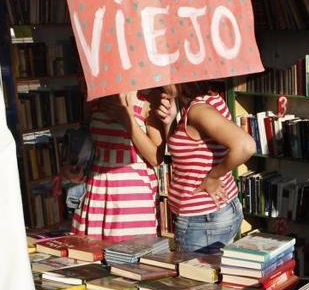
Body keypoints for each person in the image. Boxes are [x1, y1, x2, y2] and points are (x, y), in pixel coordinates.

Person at [163, 81, 256, 252]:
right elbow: (191, 152)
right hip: (215, 213)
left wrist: (212, 177)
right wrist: (171, 121)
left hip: (203, 220)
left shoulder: (199, 111)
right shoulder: (211, 100)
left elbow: (245, 146)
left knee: (194, 278)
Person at [71, 91, 170, 242]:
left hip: (131, 193)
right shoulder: (95, 99)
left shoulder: (147, 100)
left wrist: (127, 119)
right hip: (97, 187)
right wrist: (75, 168)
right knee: (94, 253)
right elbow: (86, 143)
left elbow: (155, 157)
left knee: (130, 255)